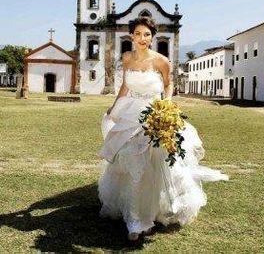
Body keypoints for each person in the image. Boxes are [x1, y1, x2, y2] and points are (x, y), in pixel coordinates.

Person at [98, 17, 229, 241]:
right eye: (138, 34)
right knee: (131, 162)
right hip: (130, 112)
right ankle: (136, 218)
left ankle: (150, 214)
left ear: (152, 37)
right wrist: (114, 107)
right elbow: (124, 85)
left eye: (147, 34)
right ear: (131, 36)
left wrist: (165, 107)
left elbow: (169, 84)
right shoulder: (127, 57)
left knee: (154, 163)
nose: (142, 38)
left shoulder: (161, 61)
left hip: (153, 113)